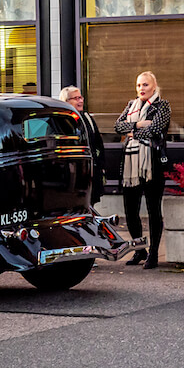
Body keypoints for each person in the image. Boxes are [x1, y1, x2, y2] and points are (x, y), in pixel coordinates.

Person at [114, 71, 170, 269]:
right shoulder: (131, 105)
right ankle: (139, 250)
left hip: (152, 165)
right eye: (138, 85)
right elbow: (117, 127)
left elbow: (156, 129)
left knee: (154, 210)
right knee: (130, 210)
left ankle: (153, 253)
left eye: (145, 85)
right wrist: (138, 124)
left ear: (154, 87)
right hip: (130, 166)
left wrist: (132, 131)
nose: (141, 89)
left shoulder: (162, 105)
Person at [59, 85, 105, 206]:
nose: (80, 101)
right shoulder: (60, 120)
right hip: (73, 174)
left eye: (81, 97)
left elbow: (98, 143)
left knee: (91, 202)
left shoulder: (86, 117)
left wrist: (100, 165)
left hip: (91, 170)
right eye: (76, 98)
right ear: (66, 101)